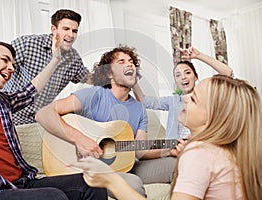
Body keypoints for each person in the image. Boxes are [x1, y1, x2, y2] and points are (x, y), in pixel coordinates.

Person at [70, 75, 262, 200]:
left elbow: (140, 149)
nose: (185, 98)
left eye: (194, 99)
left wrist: (110, 180)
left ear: (215, 118)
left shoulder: (200, 154)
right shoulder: (229, 152)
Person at [0, 38, 107, 200]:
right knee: (53, 197)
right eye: (4, 60)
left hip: (22, 183)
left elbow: (31, 91)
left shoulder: (3, 102)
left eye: (13, 63)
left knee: (94, 182)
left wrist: (55, 60)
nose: (11, 68)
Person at [36, 45, 185, 197]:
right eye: (121, 62)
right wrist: (79, 139)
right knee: (133, 184)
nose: (129, 64)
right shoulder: (94, 95)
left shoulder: (139, 109)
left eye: (131, 61)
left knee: (180, 164)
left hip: (127, 165)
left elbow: (140, 150)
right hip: (90, 168)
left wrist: (167, 150)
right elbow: (43, 113)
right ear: (109, 73)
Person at [3, 9, 91, 126]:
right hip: (9, 116)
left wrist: (111, 70)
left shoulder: (74, 60)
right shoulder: (27, 44)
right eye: (66, 29)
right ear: (54, 29)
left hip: (37, 122)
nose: (71, 35)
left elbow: (91, 79)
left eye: (74, 31)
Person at [133, 47, 233, 140]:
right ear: (176, 81)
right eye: (178, 75)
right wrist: (132, 79)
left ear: (196, 76)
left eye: (187, 73)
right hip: (174, 151)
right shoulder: (173, 101)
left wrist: (199, 56)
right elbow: (143, 100)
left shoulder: (206, 97)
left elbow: (228, 73)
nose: (183, 77)